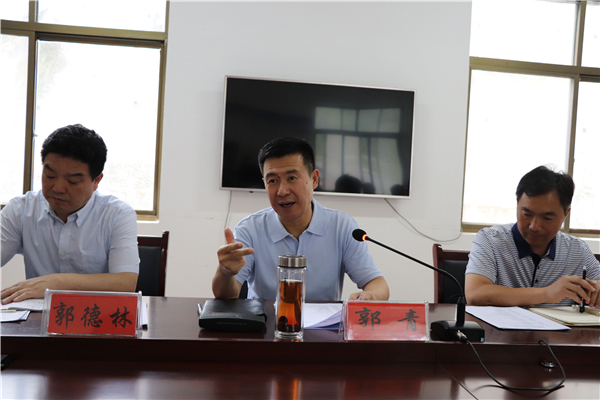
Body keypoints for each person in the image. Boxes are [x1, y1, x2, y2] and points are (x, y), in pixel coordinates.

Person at [213, 137, 389, 302]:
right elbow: (226, 295)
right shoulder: (249, 229)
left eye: (292, 178)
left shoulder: (342, 226)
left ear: (314, 179)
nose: (282, 191)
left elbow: (377, 284)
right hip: (266, 323)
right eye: (272, 181)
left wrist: (370, 295)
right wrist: (225, 272)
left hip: (324, 325)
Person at [1, 124, 139, 304]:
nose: (58, 188)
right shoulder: (20, 210)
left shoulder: (117, 215)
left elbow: (126, 283)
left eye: (72, 181)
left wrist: (57, 283)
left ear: (96, 181)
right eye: (50, 176)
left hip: (95, 316)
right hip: (37, 318)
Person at [465, 166, 600, 308]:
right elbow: (475, 294)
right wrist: (546, 294)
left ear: (566, 214)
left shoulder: (577, 250)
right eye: (527, 214)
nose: (534, 226)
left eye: (547, 218)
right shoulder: (490, 240)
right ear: (517, 206)